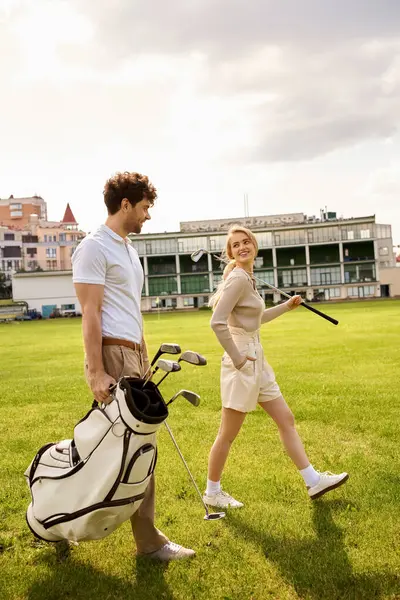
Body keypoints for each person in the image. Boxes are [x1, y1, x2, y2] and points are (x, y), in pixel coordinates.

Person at [72, 171, 195, 561]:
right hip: (112, 354)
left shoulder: (129, 248)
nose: (148, 215)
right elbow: (90, 312)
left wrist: (143, 354)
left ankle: (59, 519)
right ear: (124, 204)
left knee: (116, 448)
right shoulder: (94, 247)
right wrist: (95, 370)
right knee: (134, 448)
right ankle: (149, 542)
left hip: (136, 355)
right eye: (144, 207)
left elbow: (128, 307)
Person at [203, 225, 348, 509]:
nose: (242, 247)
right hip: (243, 362)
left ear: (254, 246)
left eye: (246, 242)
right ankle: (212, 491)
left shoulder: (247, 278)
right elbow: (217, 322)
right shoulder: (238, 280)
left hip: (257, 360)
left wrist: (286, 306)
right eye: (236, 245)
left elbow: (254, 320)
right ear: (230, 252)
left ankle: (313, 480)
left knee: (286, 419)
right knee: (228, 434)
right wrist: (237, 357)